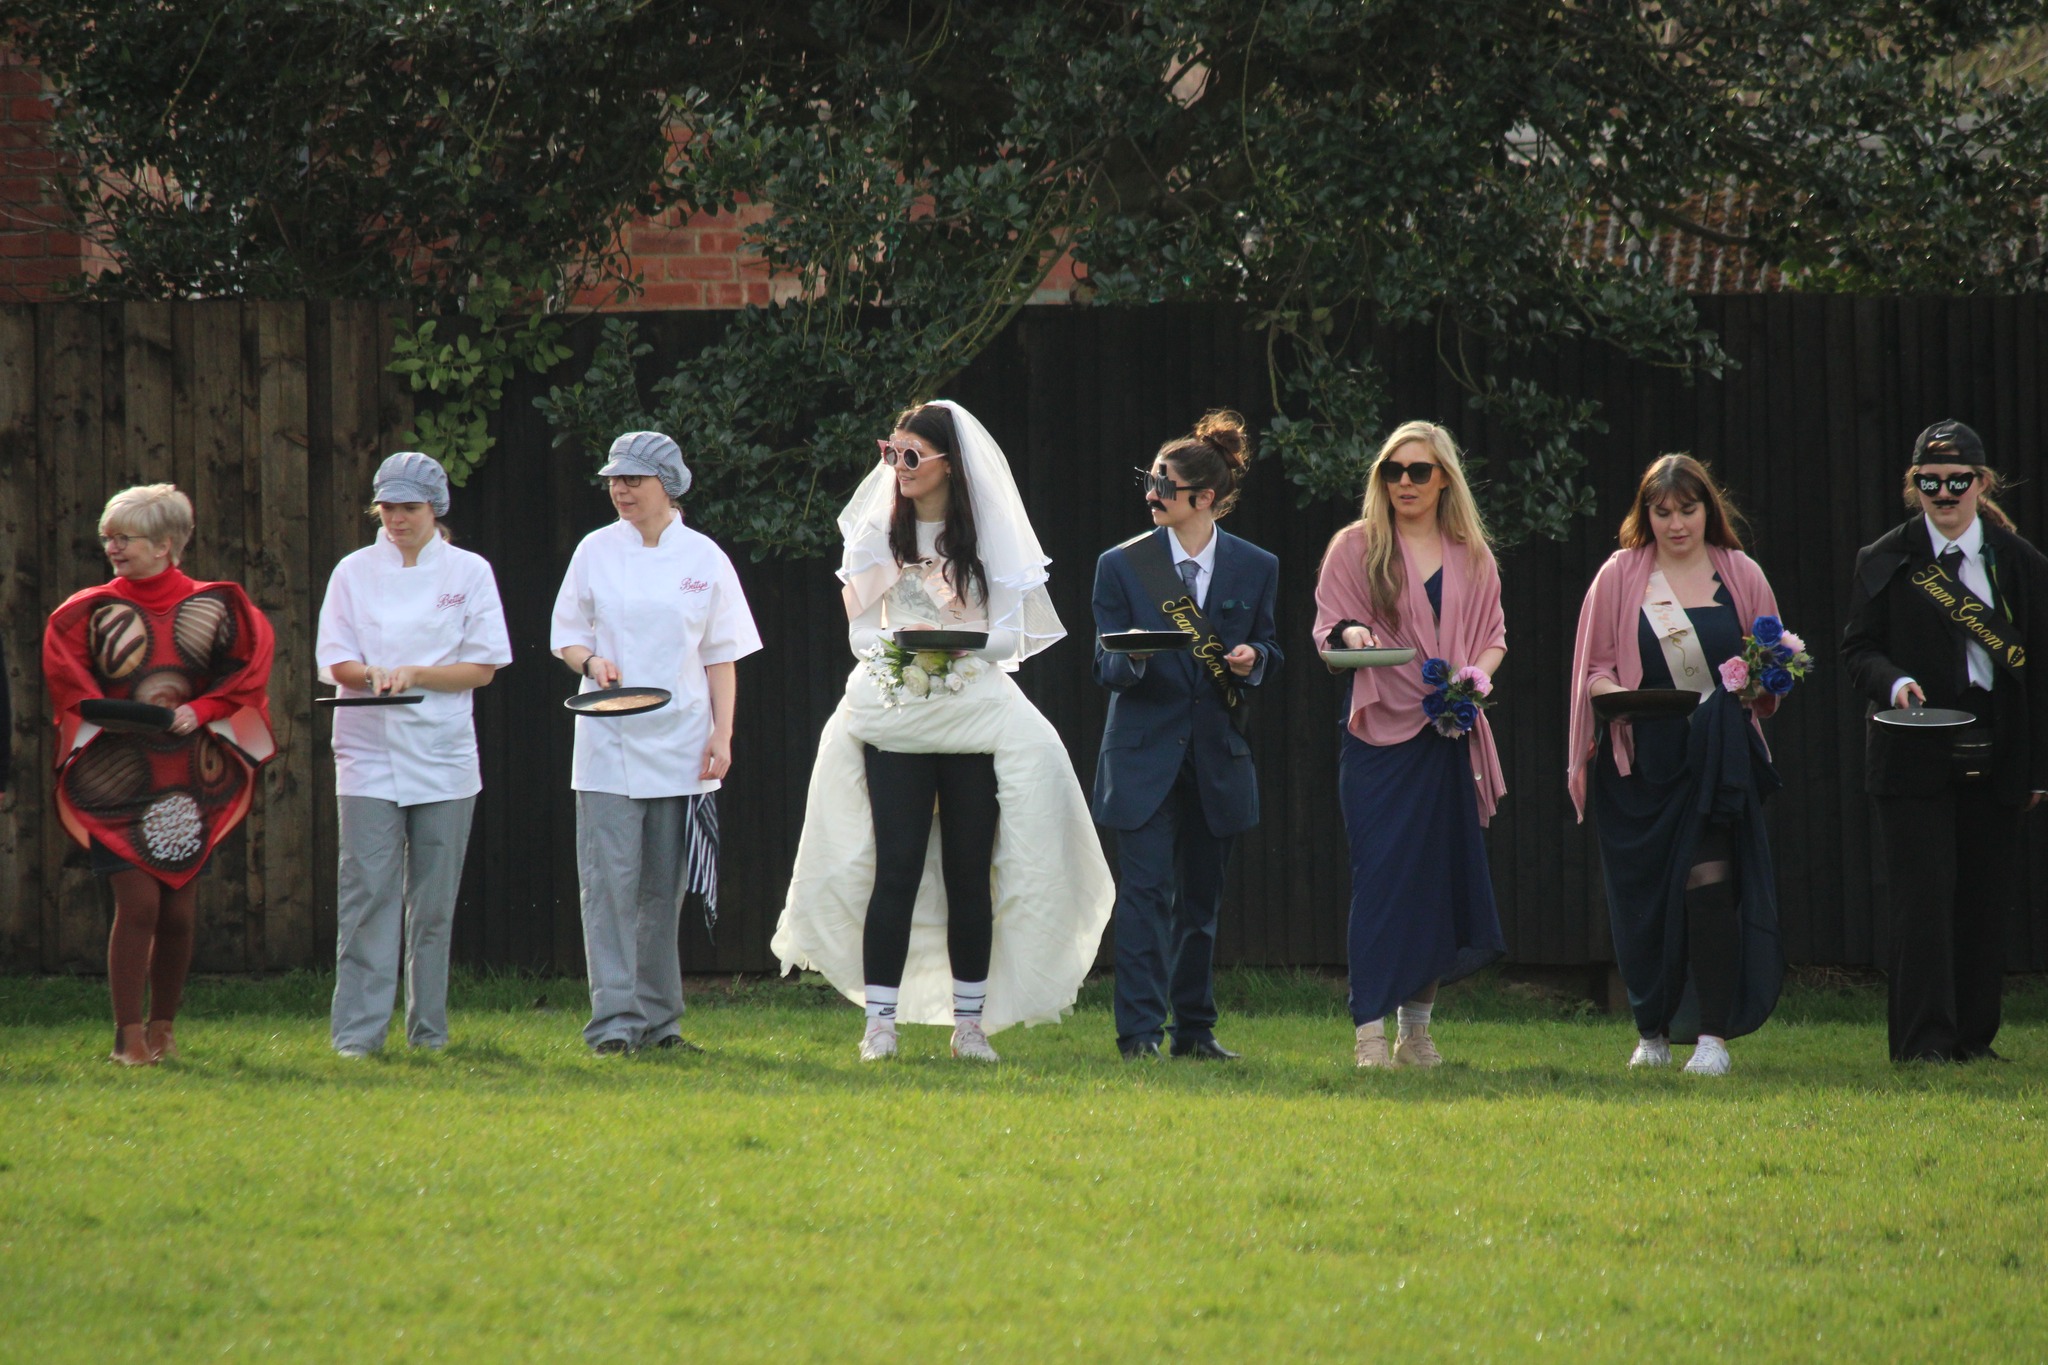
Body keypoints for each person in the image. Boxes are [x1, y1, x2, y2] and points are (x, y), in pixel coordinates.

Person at [772, 400, 1115, 1063]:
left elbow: (1011, 637)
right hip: (899, 711)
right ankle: (880, 1024)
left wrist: (957, 647)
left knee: (968, 870)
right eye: (890, 452)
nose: (897, 466)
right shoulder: (879, 536)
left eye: (911, 455)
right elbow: (860, 633)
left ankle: (970, 1024)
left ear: (948, 464)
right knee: (895, 866)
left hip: (972, 713)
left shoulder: (985, 539)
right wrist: (905, 654)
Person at [41, 484, 275, 1065]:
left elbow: (244, 676)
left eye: (126, 538)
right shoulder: (86, 610)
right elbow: (71, 684)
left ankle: (163, 1029)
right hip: (114, 779)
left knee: (179, 912)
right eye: (108, 538)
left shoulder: (219, 605)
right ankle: (128, 1038)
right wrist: (128, 715)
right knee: (139, 906)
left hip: (187, 779)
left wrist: (201, 710)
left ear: (166, 544)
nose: (113, 548)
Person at [1567, 455, 1786, 1075]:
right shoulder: (1619, 575)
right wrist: (1612, 694)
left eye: (1688, 510)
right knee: (1644, 899)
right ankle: (1653, 1031)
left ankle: (1713, 1038)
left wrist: (1759, 682)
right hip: (1638, 762)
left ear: (1708, 509)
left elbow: (1775, 665)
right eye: (1662, 512)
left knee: (1709, 883)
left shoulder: (1741, 573)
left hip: (1715, 759)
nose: (1677, 524)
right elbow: (1593, 668)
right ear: (1647, 515)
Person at [1840, 420, 2048, 1064]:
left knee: (1984, 900)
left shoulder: (2022, 563)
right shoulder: (1884, 558)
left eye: (1958, 480)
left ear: (1982, 483)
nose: (1945, 494)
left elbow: (2039, 668)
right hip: (1912, 745)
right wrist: (1894, 682)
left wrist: (2037, 767)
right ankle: (1922, 1043)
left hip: (1996, 743)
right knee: (1921, 903)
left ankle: (1972, 1039)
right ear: (1915, 486)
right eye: (1930, 482)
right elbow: (1858, 649)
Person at [550, 432, 762, 1056]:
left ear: (667, 486)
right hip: (607, 743)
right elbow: (567, 636)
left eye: (633, 480)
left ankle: (661, 1025)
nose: (620, 490)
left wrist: (722, 733)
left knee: (661, 893)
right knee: (607, 889)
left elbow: (722, 655)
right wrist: (591, 662)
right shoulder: (594, 550)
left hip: (681, 745)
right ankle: (613, 1026)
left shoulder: (705, 557)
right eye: (614, 480)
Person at [1311, 421, 1506, 1070]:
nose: (1404, 482)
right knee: (1381, 881)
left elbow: (1495, 637)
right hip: (1376, 734)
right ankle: (1368, 1034)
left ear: (1444, 478)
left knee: (1435, 885)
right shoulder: (1355, 546)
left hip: (1446, 734)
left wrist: (1471, 681)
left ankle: (1415, 1035)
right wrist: (1353, 634)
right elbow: (1331, 629)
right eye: (1392, 471)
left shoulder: (1472, 555)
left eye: (1418, 471)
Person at [1090, 411, 1281, 1061]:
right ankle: (1139, 1034)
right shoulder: (1122, 565)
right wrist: (1134, 657)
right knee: (1144, 899)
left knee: (1201, 904)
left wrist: (1255, 657)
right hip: (1141, 756)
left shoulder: (1257, 565)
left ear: (1204, 498)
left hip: (1217, 755)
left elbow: (1272, 647)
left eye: (1163, 484)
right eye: (1148, 480)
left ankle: (1194, 1031)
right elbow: (1104, 665)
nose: (1151, 493)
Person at [315, 452, 512, 1057]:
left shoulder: (470, 572)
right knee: (367, 896)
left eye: (409, 508)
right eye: (388, 508)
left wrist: (417, 673)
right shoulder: (352, 571)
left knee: (432, 907)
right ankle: (357, 1037)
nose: (397, 519)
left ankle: (429, 1033)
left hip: (443, 756)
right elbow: (336, 661)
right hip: (367, 755)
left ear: (435, 508)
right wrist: (372, 674)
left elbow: (482, 667)